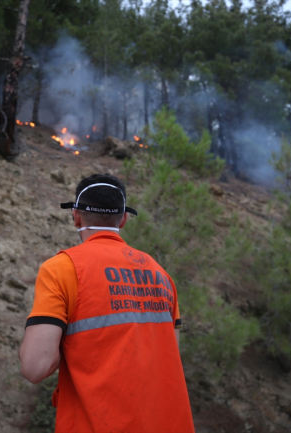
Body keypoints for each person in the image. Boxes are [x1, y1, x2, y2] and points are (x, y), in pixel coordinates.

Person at [18, 173, 195, 433]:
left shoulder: (61, 269)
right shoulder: (161, 274)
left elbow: (35, 367)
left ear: (76, 216)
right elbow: (167, 356)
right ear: (123, 219)